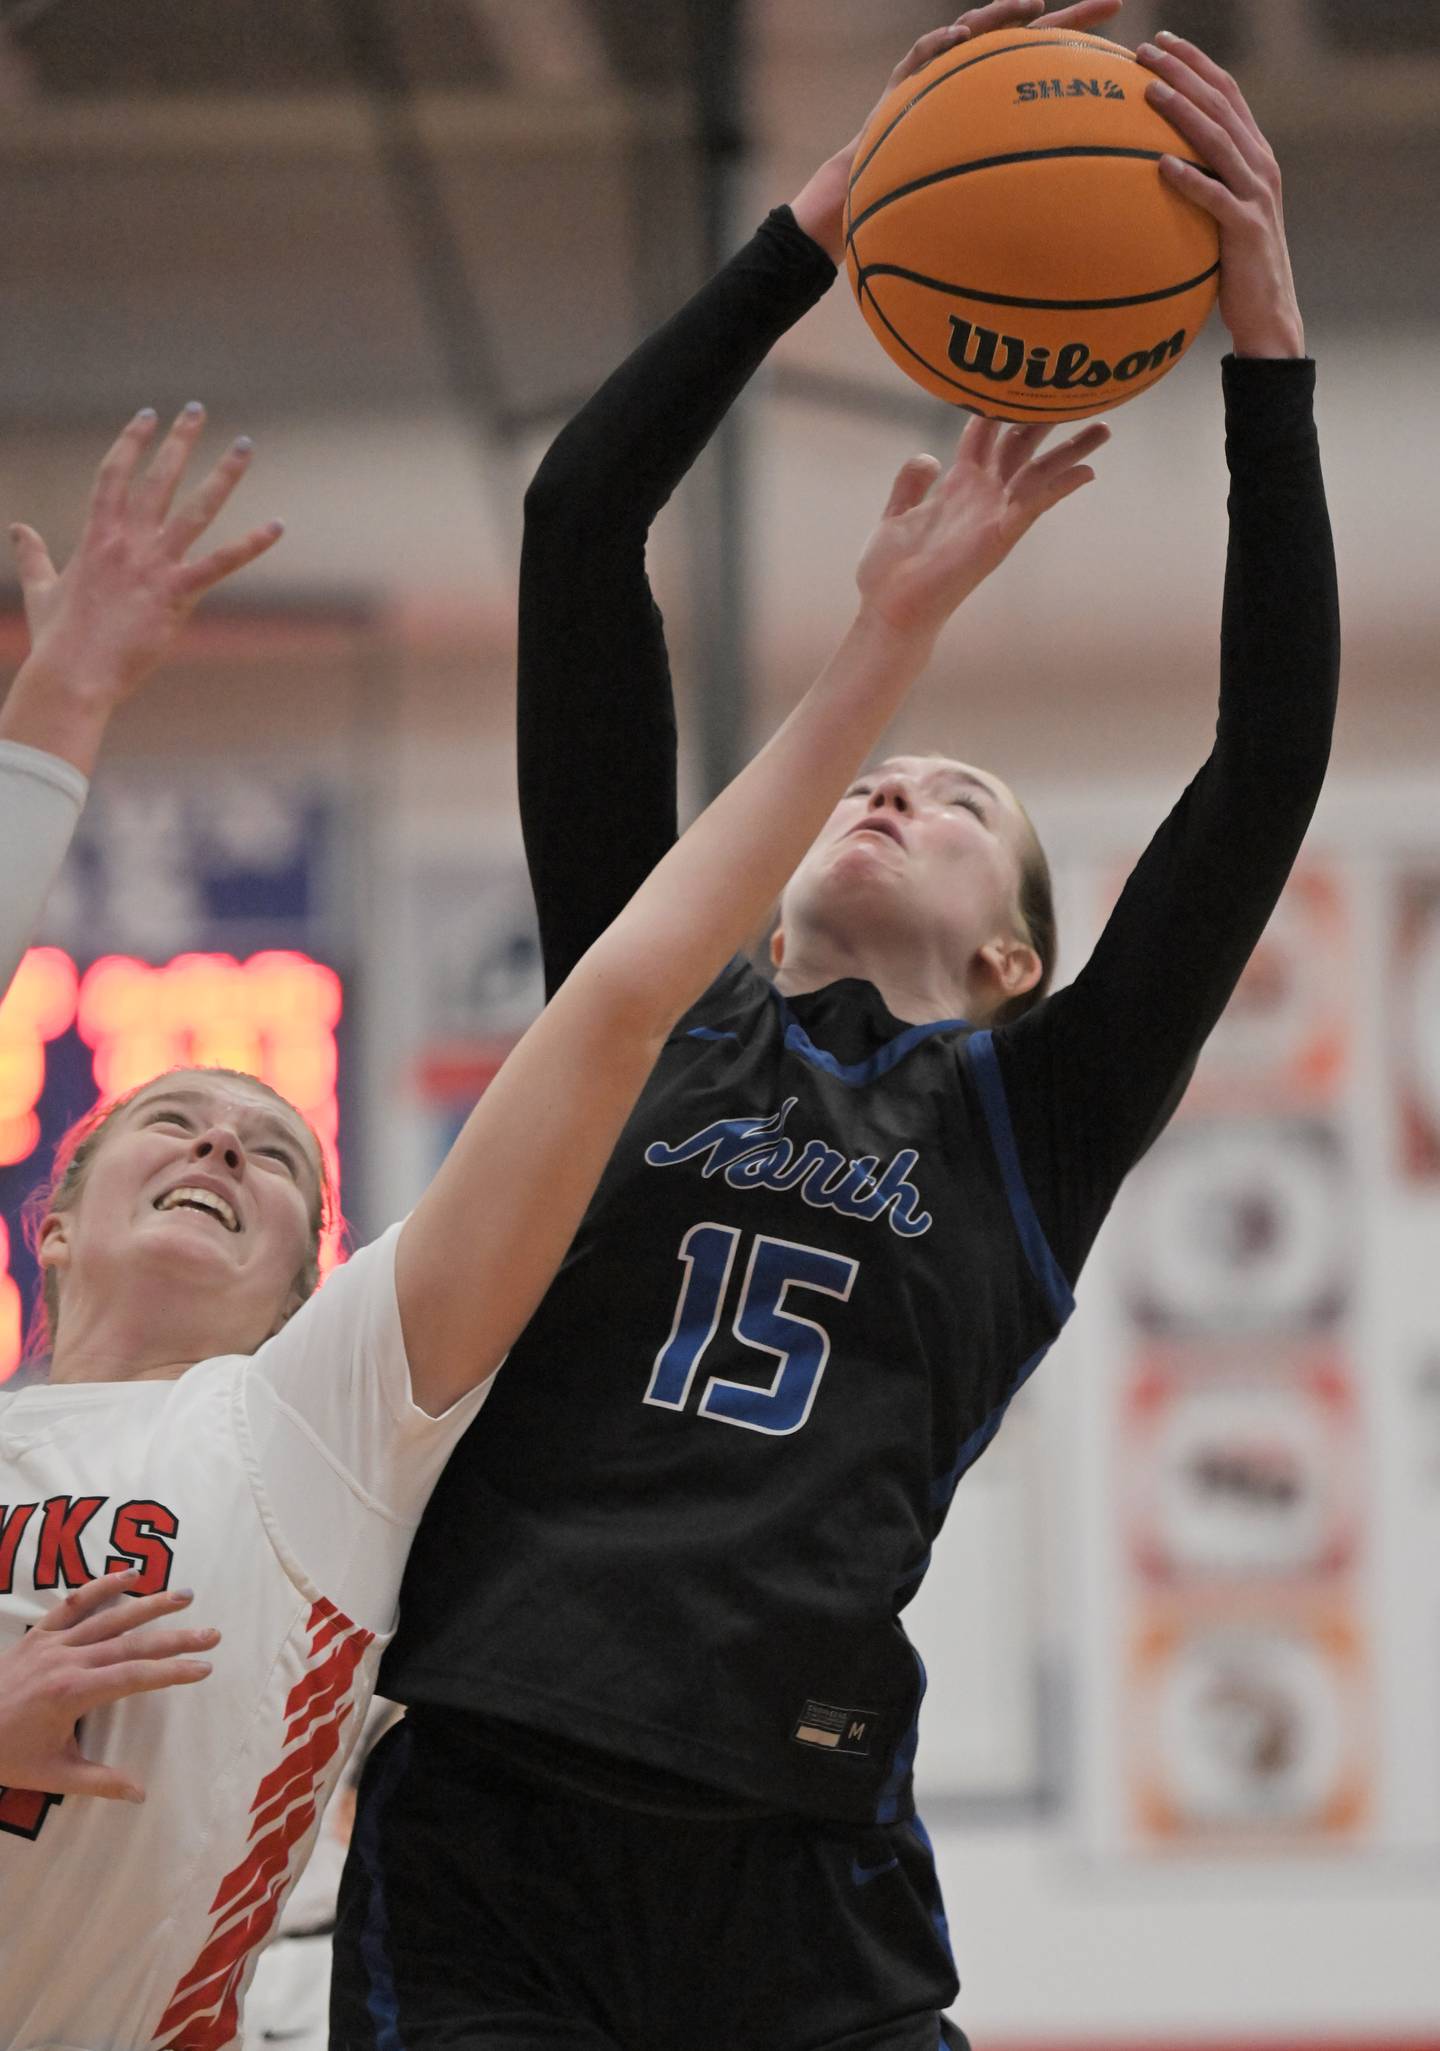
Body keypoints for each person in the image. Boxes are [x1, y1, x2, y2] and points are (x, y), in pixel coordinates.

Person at [332, 10, 1341, 2051]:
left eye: (963, 804)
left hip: (795, 1859)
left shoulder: (1030, 1126)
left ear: (1014, 964)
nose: (898, 790)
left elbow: (1266, 763)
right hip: (489, 1824)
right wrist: (820, 225)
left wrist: (1266, 349)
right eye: (893, 777)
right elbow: (579, 524)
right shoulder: (641, 1004)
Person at [0, 311, 1093, 2047]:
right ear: (44, 1215)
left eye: (274, 1145)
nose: (221, 1137)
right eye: (173, 1118)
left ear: (319, 1283)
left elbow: (629, 985)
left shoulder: (312, 1414)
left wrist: (883, 640)